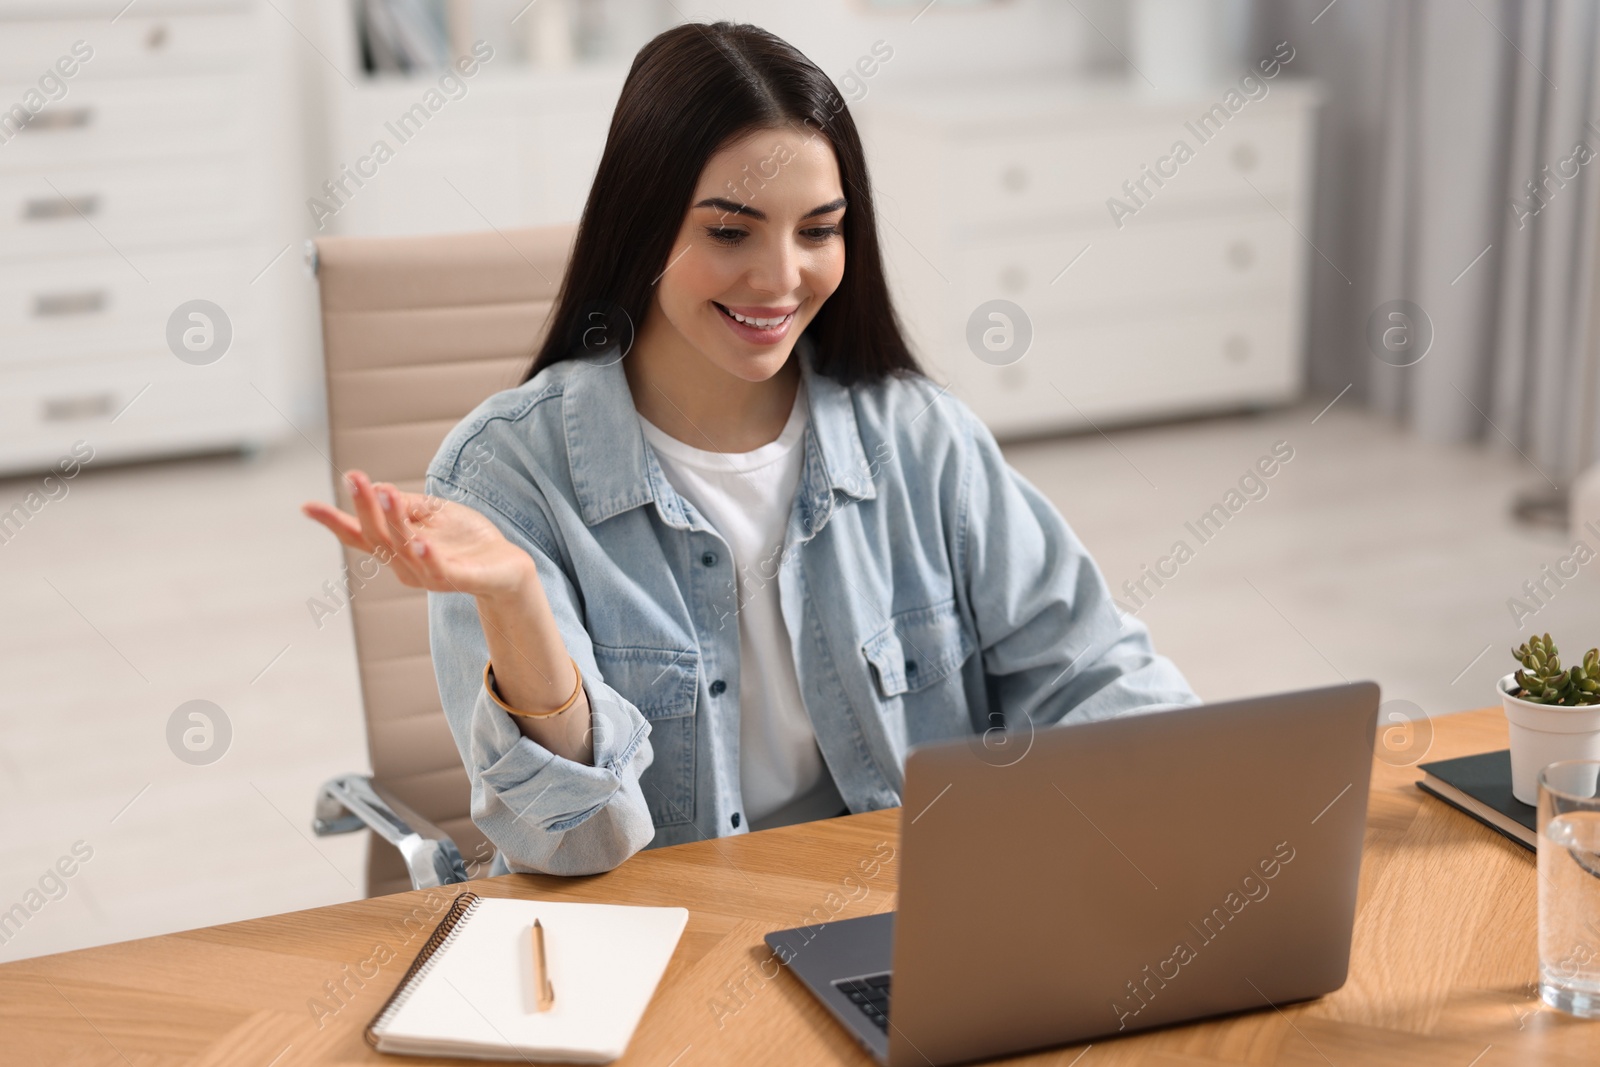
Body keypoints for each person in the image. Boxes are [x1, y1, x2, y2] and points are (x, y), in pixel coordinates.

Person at [302, 22, 1197, 877]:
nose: (780, 278)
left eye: (818, 230)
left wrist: (1220, 803)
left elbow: (1093, 672)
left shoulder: (921, 437)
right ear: (643, 225)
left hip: (913, 915)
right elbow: (573, 844)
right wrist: (518, 605)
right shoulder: (506, 475)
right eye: (730, 231)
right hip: (668, 942)